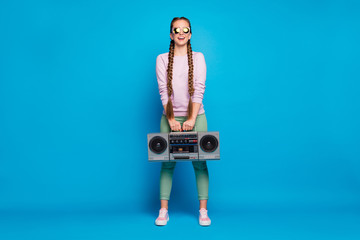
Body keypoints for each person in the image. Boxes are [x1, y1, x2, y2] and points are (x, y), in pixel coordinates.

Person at [154, 17, 211, 226]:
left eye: (185, 29)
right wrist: (171, 119)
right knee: (167, 164)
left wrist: (191, 119)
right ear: (171, 34)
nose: (181, 32)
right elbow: (163, 91)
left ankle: (203, 211)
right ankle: (163, 211)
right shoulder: (161, 59)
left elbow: (199, 89)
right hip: (169, 118)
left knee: (200, 163)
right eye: (176, 29)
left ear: (190, 34)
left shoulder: (199, 57)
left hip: (196, 118)